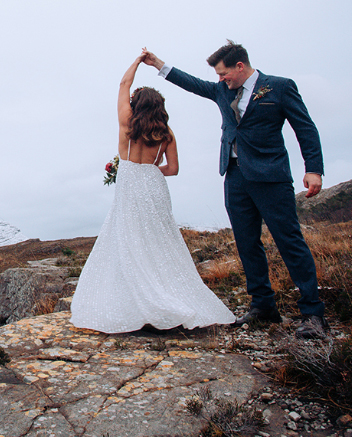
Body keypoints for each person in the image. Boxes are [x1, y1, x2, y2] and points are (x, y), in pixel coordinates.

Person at [141, 41, 328, 339]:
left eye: (224, 73)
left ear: (240, 67)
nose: (220, 79)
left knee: (289, 241)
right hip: (235, 176)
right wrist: (158, 64)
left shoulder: (278, 87)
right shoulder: (221, 91)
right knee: (246, 243)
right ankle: (263, 306)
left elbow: (304, 127)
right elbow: (193, 84)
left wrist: (314, 169)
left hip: (271, 177)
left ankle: (313, 313)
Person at [70, 53, 235, 333]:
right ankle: (171, 296)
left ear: (137, 103)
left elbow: (123, 84)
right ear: (160, 106)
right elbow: (173, 169)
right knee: (161, 240)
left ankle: (137, 303)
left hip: (131, 183)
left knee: (128, 239)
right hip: (154, 185)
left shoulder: (127, 123)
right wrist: (152, 170)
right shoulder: (166, 132)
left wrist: (136, 63)